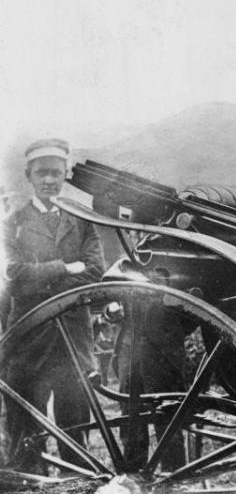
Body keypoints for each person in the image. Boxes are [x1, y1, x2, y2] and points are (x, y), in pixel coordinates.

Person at [2, 139, 105, 474]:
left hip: (73, 340)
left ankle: (77, 482)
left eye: (56, 173)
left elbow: (94, 273)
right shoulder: (11, 223)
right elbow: (14, 276)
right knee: (24, 436)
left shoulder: (82, 220)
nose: (49, 180)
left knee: (75, 431)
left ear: (65, 176)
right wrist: (64, 268)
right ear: (29, 175)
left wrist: (42, 277)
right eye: (42, 173)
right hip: (27, 341)